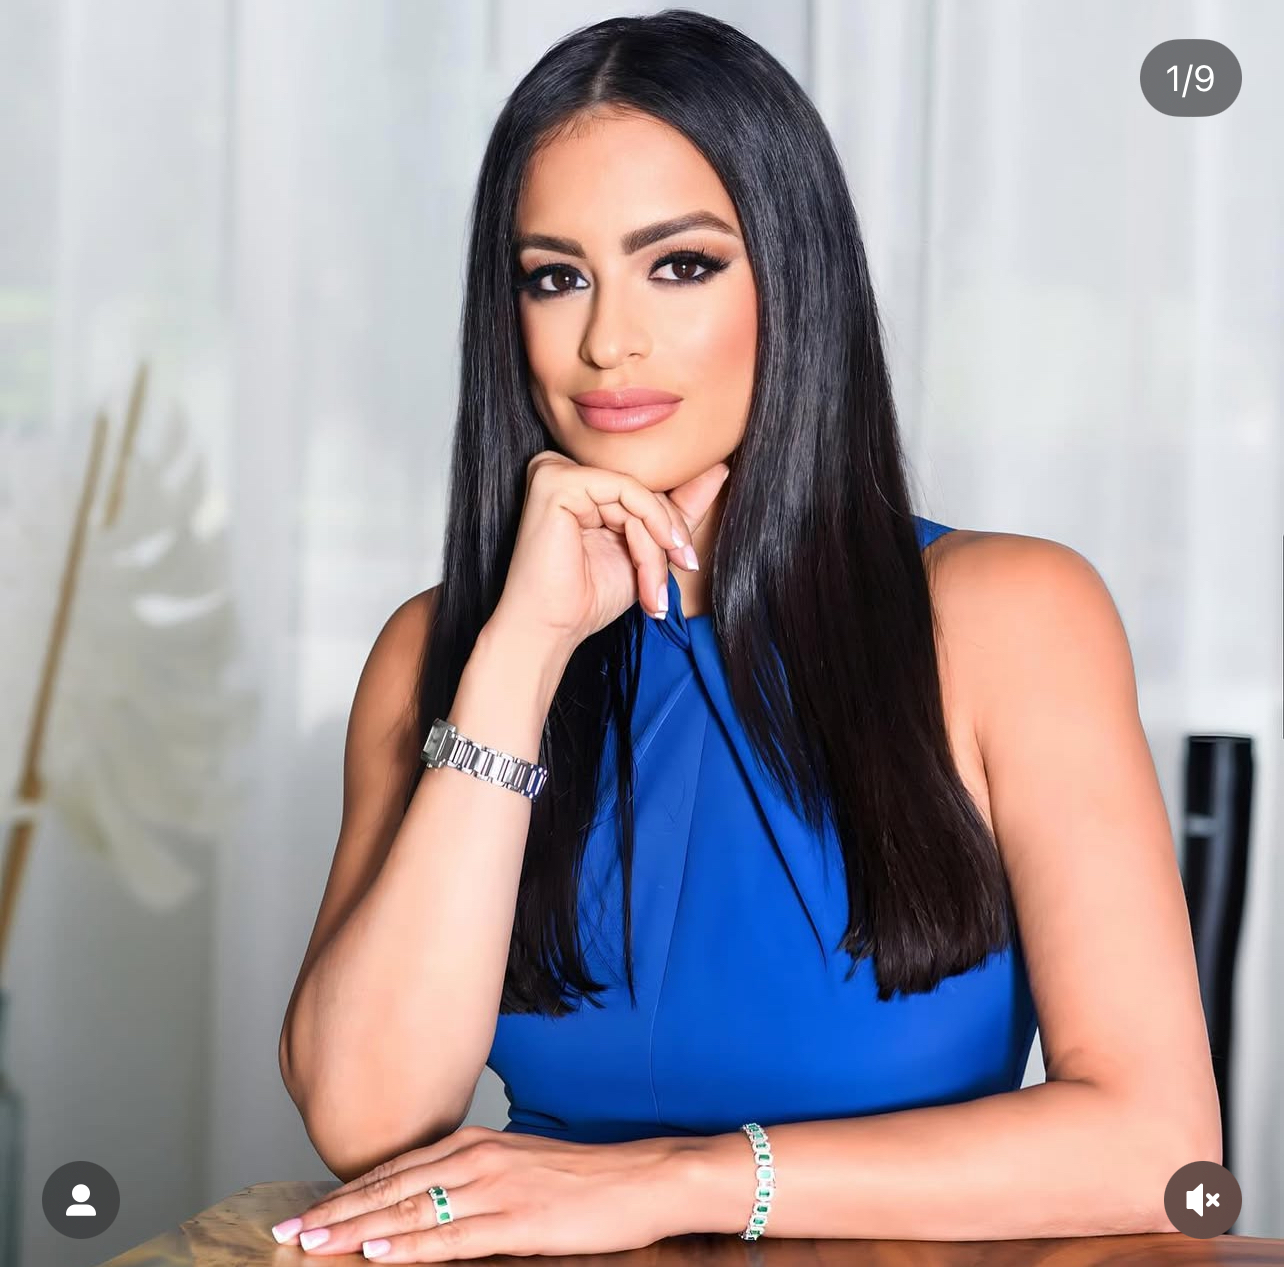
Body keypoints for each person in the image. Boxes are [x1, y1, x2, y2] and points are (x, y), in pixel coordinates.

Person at [274, 9, 1220, 1258]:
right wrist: (517, 658)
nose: (608, 340)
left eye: (681, 264)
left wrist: (675, 1181)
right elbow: (366, 1116)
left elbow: (1159, 1149)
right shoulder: (442, 651)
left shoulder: (1010, 614)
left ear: (796, 276)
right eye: (556, 276)